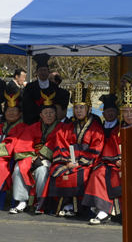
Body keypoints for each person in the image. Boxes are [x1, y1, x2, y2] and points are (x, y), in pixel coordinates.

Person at [42, 81, 105, 216]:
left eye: (82, 108)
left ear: (89, 109)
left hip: (86, 163)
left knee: (79, 174)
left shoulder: (96, 128)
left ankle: (76, 208)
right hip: (68, 160)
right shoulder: (68, 127)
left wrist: (79, 162)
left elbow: (96, 148)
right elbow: (61, 143)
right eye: (76, 108)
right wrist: (67, 162)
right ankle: (64, 204)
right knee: (58, 171)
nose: (79, 111)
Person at [83, 88, 132, 224]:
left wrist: (127, 161)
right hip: (115, 163)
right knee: (99, 172)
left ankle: (126, 211)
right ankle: (103, 210)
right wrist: (118, 160)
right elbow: (111, 149)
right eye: (126, 112)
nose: (129, 115)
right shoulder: (116, 131)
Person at [10, 93, 64, 214]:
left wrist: (43, 155)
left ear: (56, 114)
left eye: (51, 112)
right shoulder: (32, 127)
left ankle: (41, 201)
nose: (48, 115)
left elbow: (59, 143)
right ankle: (22, 201)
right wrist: (32, 157)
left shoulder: (62, 127)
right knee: (19, 168)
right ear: (40, 115)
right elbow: (24, 142)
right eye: (45, 112)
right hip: (32, 156)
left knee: (42, 171)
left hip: (52, 158)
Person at [23, 54, 59, 126]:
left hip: (52, 120)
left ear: (49, 72)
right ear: (36, 72)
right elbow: (26, 104)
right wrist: (40, 116)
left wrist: (48, 116)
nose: (43, 72)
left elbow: (57, 103)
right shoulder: (30, 87)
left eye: (45, 70)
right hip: (34, 120)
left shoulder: (54, 86)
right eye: (40, 70)